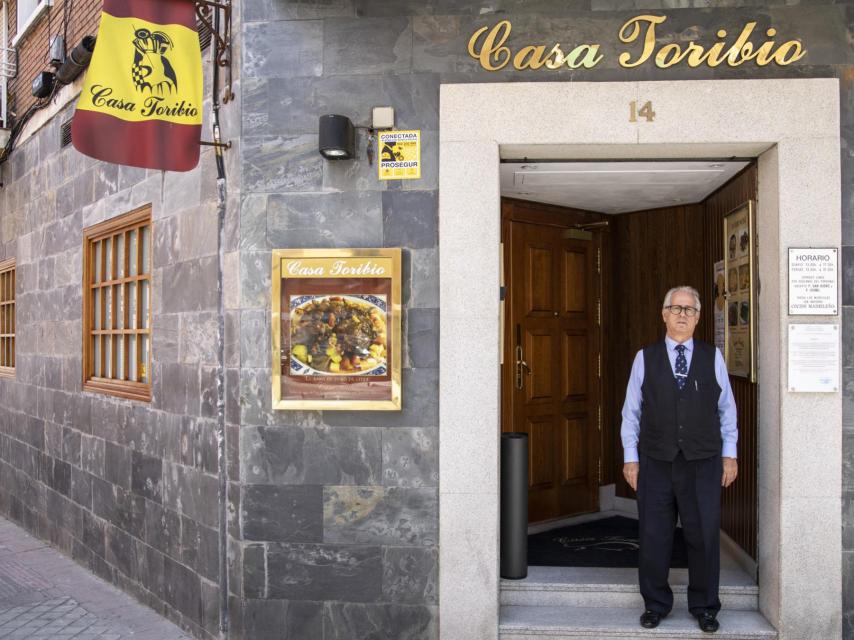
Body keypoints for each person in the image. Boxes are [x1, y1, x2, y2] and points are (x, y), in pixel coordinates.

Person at [620, 286, 738, 634]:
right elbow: (631, 413)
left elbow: (726, 409)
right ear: (664, 314)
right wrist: (631, 458)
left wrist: (729, 455)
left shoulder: (712, 356)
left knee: (702, 535)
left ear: (699, 317)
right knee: (654, 535)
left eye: (689, 309)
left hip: (703, 461)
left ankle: (705, 606)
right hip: (656, 461)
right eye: (675, 308)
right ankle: (655, 604)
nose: (682, 314)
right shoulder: (645, 357)